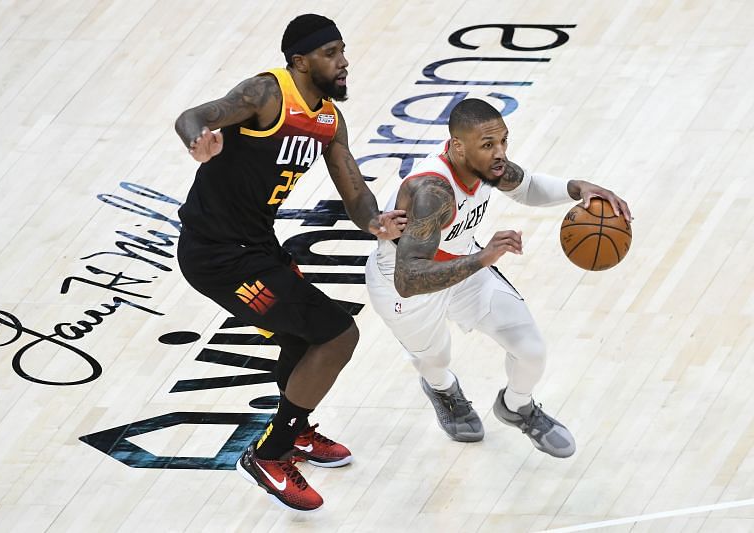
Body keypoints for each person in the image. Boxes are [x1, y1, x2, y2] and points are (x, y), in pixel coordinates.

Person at [174, 14, 406, 512]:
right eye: (330, 53)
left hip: (255, 247)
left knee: (304, 337)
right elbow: (193, 116)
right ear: (300, 61)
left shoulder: (328, 120)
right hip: (217, 256)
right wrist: (198, 141)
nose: (343, 63)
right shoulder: (266, 94)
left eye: (343, 51)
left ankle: (295, 433)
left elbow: (354, 189)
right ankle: (270, 455)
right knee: (337, 333)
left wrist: (375, 222)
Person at [365, 98, 631, 457]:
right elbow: (409, 279)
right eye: (489, 145)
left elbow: (528, 186)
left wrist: (579, 188)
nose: (500, 152)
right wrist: (483, 257)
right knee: (435, 361)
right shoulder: (432, 192)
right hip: (405, 286)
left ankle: (517, 406)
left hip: (463, 263)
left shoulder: (485, 164)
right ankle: (443, 390)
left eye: (504, 141)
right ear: (457, 147)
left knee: (531, 350)